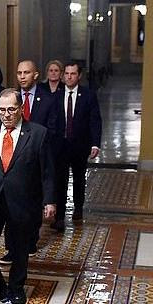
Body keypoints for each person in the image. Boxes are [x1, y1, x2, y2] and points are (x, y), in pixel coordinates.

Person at [0, 89, 56, 304]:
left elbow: (47, 171)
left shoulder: (38, 133)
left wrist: (49, 201)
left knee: (20, 248)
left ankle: (16, 286)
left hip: (22, 200)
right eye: (2, 109)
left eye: (11, 109)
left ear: (21, 108)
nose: (6, 114)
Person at [0, 60, 60, 264]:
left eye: (26, 72)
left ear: (36, 75)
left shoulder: (48, 99)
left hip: (38, 154)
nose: (22, 76)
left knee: (32, 204)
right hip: (14, 156)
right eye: (19, 72)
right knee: (11, 204)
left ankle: (30, 241)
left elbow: (53, 130)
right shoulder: (11, 99)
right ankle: (11, 247)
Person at [51, 61, 102, 231]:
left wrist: (95, 143)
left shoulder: (88, 95)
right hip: (60, 145)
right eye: (66, 73)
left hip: (80, 145)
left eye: (72, 74)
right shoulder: (57, 95)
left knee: (79, 178)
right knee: (60, 180)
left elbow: (95, 120)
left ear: (79, 76)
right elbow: (52, 120)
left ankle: (78, 208)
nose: (69, 77)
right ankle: (59, 217)